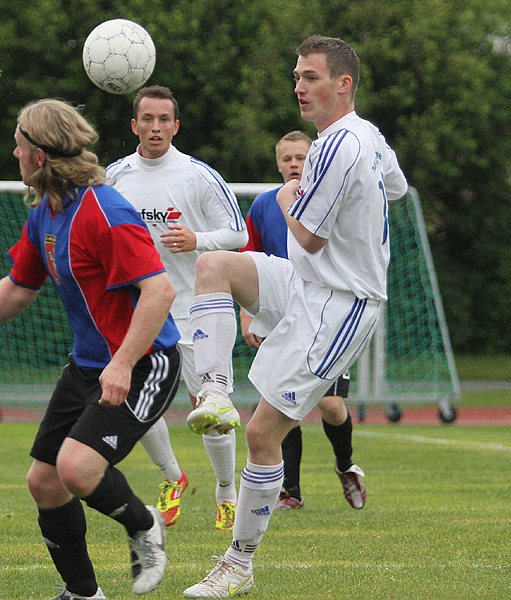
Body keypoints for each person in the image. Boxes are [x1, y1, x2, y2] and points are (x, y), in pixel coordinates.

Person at [183, 36, 407, 598]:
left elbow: (304, 234)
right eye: (297, 75)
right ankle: (212, 392)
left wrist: (288, 197)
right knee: (213, 265)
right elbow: (397, 188)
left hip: (342, 304)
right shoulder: (369, 135)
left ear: (344, 84)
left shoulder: (337, 146)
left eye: (310, 77)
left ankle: (238, 562)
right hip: (308, 282)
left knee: (262, 434)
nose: (299, 86)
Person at [0, 99, 180, 600]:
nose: (13, 152)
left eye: (18, 144)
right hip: (89, 367)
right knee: (45, 482)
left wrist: (122, 363)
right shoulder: (48, 211)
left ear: (38, 155)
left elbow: (160, 291)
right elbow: (20, 283)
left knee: (76, 469)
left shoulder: (105, 210)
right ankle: (83, 593)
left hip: (144, 363)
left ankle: (145, 524)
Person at [106, 86, 247, 531]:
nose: (155, 127)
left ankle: (227, 490)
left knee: (208, 406)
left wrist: (196, 240)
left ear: (176, 126)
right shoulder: (115, 176)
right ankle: (172, 477)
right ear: (134, 125)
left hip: (195, 309)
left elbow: (238, 234)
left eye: (164, 119)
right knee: (132, 400)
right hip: (140, 310)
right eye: (147, 119)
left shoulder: (198, 175)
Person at [240, 131, 365, 512]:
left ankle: (346, 465)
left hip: (327, 317)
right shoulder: (264, 205)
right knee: (278, 400)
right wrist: (247, 315)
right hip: (281, 313)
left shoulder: (326, 203)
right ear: (278, 163)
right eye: (288, 158)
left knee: (330, 404)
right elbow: (249, 259)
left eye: (301, 157)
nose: (294, 164)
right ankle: (289, 492)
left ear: (312, 162)